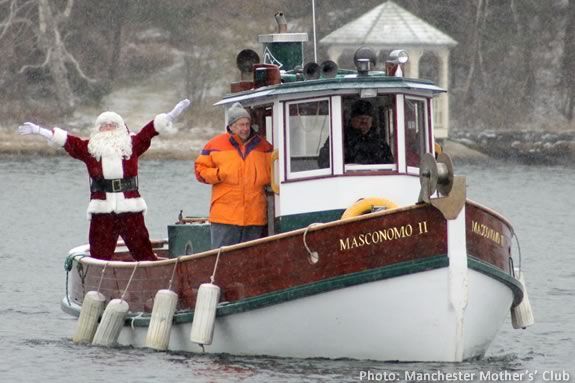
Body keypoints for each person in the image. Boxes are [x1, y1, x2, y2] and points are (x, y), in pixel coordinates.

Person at [17, 99, 191, 261]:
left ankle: (154, 280)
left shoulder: (132, 145)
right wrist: (40, 131)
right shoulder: (90, 149)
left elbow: (149, 132)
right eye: (104, 126)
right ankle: (98, 288)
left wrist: (169, 117)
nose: (108, 128)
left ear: (121, 127)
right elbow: (68, 141)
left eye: (112, 125)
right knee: (99, 254)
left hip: (130, 208)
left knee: (142, 249)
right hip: (102, 211)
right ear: (97, 129)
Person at [195, 102, 273, 249]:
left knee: (252, 261)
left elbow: (275, 173)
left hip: (255, 217)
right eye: (241, 124)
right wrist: (217, 174)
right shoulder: (214, 145)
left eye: (247, 124)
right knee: (223, 260)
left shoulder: (264, 147)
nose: (245, 128)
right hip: (225, 217)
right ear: (231, 126)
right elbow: (200, 171)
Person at [318, 99, 393, 167]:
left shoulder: (379, 142)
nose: (364, 121)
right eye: (360, 119)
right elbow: (324, 162)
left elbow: (389, 165)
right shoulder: (339, 138)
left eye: (367, 119)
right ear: (352, 120)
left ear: (371, 121)